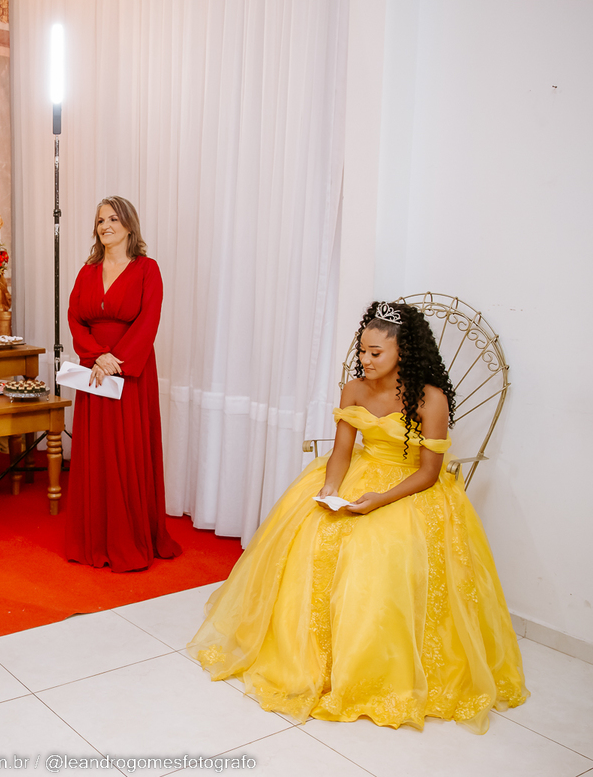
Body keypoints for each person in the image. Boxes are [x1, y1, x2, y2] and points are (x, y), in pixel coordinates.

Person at [187, 301, 528, 732]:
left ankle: (372, 665)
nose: (365, 359)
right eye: (362, 350)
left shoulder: (431, 399)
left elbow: (428, 473)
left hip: (409, 485)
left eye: (375, 353)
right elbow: (343, 451)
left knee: (377, 551)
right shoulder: (353, 389)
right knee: (313, 530)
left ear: (403, 352)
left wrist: (380, 499)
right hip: (360, 471)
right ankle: (311, 655)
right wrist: (331, 487)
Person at [64, 196, 182, 571]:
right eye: (101, 221)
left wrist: (118, 361)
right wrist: (97, 355)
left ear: (129, 226)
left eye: (114, 219)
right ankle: (96, 536)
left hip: (130, 374)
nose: (106, 226)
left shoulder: (147, 269)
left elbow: (149, 319)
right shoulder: (87, 271)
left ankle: (128, 536)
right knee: (96, 453)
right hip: (95, 372)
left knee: (127, 449)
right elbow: (74, 318)